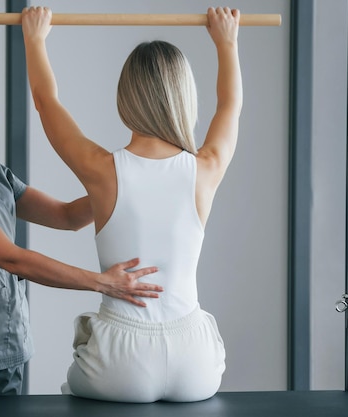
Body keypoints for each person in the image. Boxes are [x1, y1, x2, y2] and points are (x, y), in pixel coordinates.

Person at [0, 54, 164, 397]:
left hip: (9, 341)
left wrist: (124, 180)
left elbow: (67, 217)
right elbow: (10, 258)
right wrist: (102, 283)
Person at [21, 6, 242, 403]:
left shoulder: (102, 169)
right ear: (184, 97)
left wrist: (34, 38)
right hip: (195, 363)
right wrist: (227, 43)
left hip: (119, 364)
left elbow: (45, 101)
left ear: (125, 97)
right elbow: (230, 105)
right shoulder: (206, 168)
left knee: (75, 381)